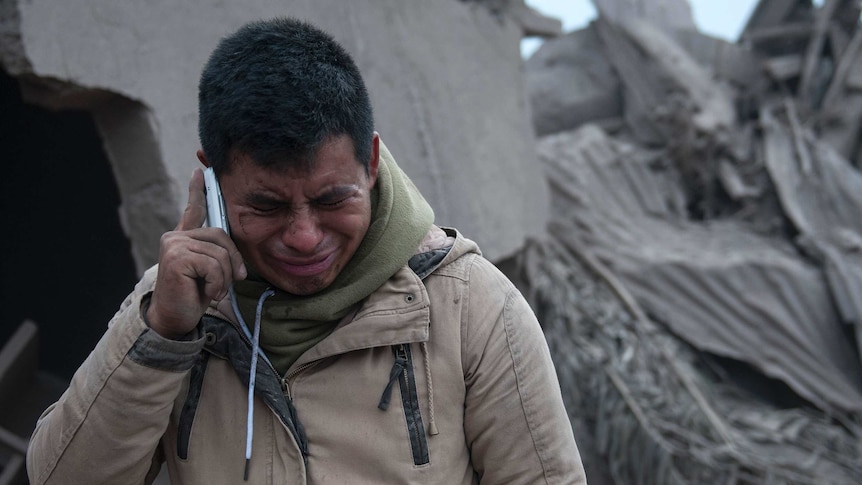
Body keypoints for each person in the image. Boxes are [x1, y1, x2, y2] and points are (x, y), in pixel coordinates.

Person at [26, 17, 586, 484]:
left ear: (369, 164)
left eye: (330, 200)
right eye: (266, 206)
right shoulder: (175, 309)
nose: (303, 236)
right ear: (214, 183)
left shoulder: (472, 308)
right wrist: (162, 335)